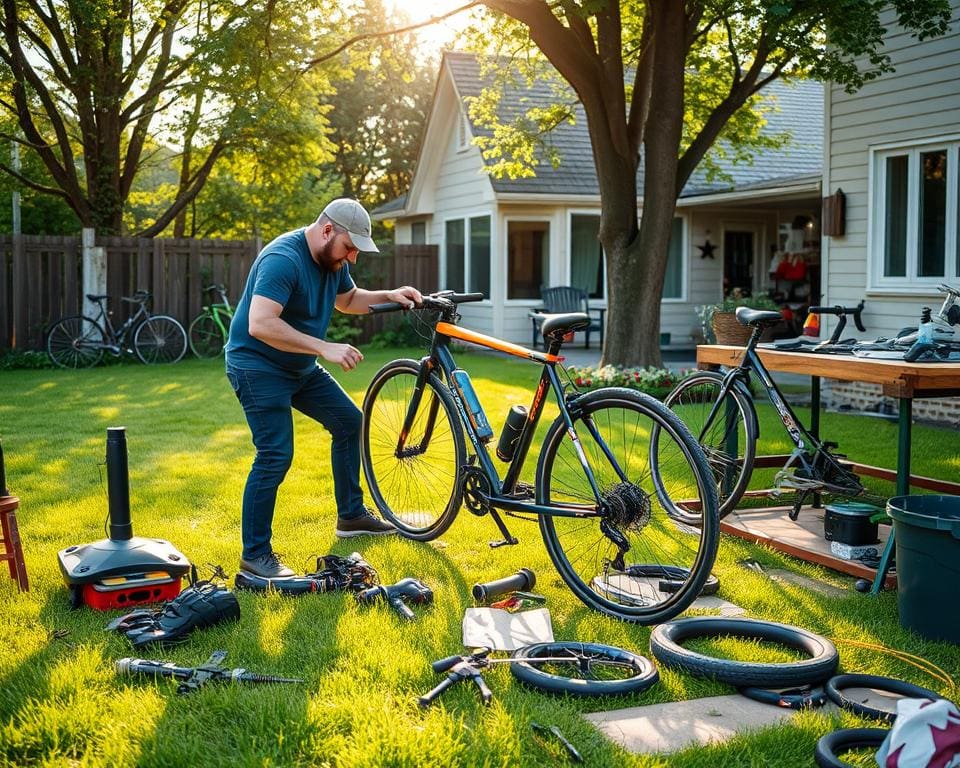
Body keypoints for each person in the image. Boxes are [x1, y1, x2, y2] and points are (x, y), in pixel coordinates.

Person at [224, 198, 422, 578]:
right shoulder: (283, 259)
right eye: (350, 248)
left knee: (350, 422)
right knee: (274, 454)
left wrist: (389, 295)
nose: (352, 258)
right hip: (257, 367)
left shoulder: (331, 260)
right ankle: (255, 556)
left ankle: (350, 517)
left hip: (297, 366)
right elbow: (260, 324)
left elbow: (347, 300)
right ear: (328, 230)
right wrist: (323, 347)